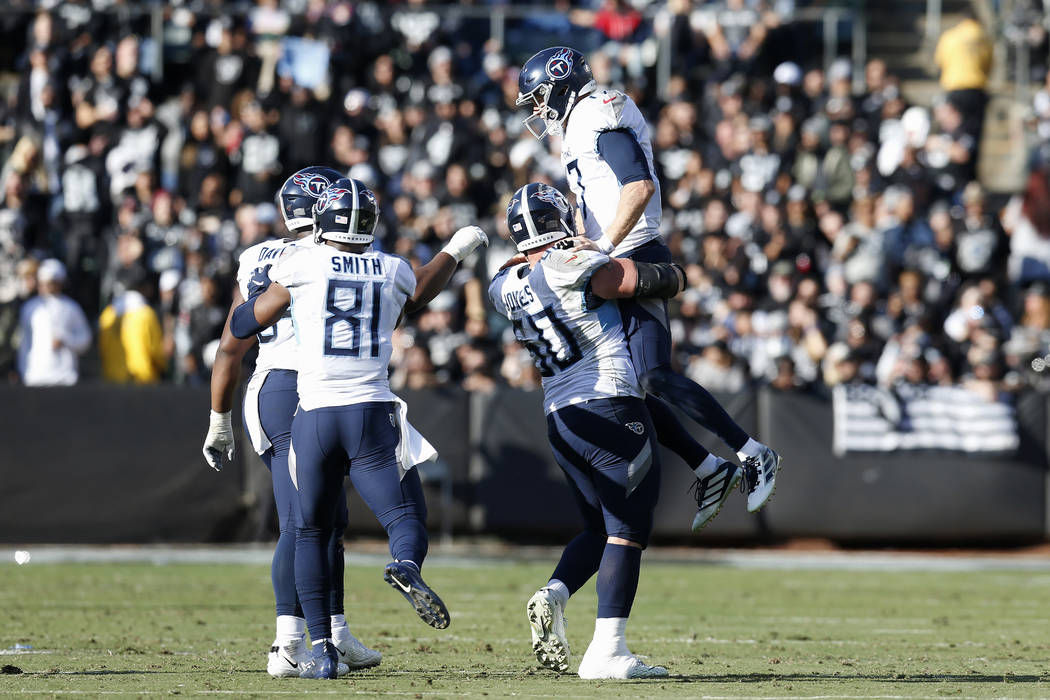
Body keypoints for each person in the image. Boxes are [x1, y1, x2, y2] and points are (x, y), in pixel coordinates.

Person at [229, 177, 488, 679]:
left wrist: (258, 300)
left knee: (308, 530)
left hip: (314, 415)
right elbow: (423, 290)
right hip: (371, 412)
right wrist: (455, 251)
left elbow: (244, 325)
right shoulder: (391, 269)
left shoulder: (299, 263)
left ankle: (322, 648)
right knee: (405, 515)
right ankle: (406, 566)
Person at [515, 46, 781, 530]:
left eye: (539, 97)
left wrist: (604, 244)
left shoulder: (598, 112)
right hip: (614, 255)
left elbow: (638, 185)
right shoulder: (577, 126)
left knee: (653, 376)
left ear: (561, 83)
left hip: (634, 253)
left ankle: (752, 452)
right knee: (629, 382)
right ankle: (708, 467)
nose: (538, 110)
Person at [490, 183, 686, 679]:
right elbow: (653, 281)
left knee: (599, 529)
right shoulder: (572, 263)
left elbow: (522, 271)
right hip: (611, 405)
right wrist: (673, 269)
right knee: (628, 532)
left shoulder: (503, 282)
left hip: (560, 416)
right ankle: (608, 650)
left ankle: (554, 592)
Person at [202, 166, 375, 678]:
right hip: (295, 384)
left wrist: (220, 415)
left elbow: (232, 342)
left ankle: (336, 634)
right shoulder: (326, 256)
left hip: (288, 385)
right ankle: (288, 643)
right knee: (304, 522)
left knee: (331, 519)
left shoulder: (260, 255)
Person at [18, 259, 92, 386]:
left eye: (52, 283)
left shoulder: (71, 307)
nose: (48, 287)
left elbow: (85, 340)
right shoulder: (30, 308)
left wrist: (65, 339)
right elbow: (23, 343)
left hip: (64, 378)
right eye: (44, 283)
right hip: (35, 377)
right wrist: (24, 370)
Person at [99, 271, 168, 384]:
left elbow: (103, 348)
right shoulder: (146, 314)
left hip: (112, 380)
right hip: (142, 380)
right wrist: (163, 366)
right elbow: (156, 350)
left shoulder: (107, 314)